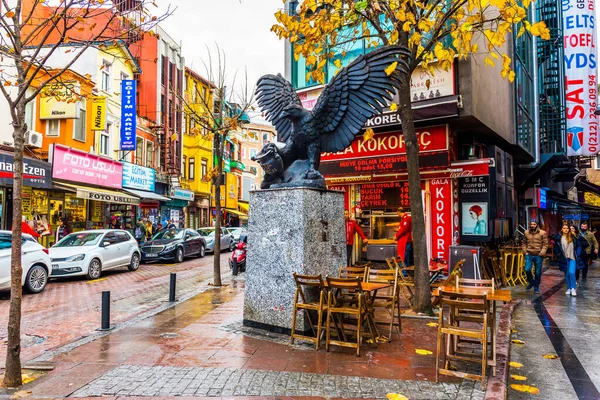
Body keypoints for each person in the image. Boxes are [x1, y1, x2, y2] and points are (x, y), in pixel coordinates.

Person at [553, 225, 588, 296]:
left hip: (572, 258)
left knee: (571, 272)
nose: (566, 229)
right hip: (564, 258)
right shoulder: (559, 239)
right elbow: (556, 249)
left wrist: (577, 254)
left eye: (567, 228)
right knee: (566, 274)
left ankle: (573, 288)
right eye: (564, 228)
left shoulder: (573, 237)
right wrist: (559, 255)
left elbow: (579, 246)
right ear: (561, 230)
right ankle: (569, 288)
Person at [522, 220, 547, 294]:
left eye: (534, 224)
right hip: (529, 254)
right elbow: (524, 243)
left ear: (537, 225)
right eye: (531, 224)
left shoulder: (542, 233)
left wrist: (542, 253)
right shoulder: (526, 232)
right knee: (527, 269)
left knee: (537, 272)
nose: (532, 225)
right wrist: (525, 252)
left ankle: (536, 286)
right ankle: (532, 282)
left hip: (538, 254)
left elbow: (545, 244)